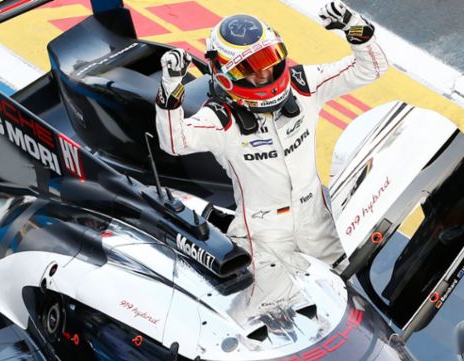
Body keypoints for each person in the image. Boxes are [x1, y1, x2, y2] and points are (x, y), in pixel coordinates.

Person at [155, 3, 387, 309]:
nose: (264, 72)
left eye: (268, 59)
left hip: (318, 223)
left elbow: (372, 68)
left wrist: (355, 28)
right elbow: (174, 141)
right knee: (266, 319)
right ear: (224, 73)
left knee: (355, 306)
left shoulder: (304, 85)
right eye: (249, 68)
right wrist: (170, 89)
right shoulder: (221, 118)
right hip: (263, 239)